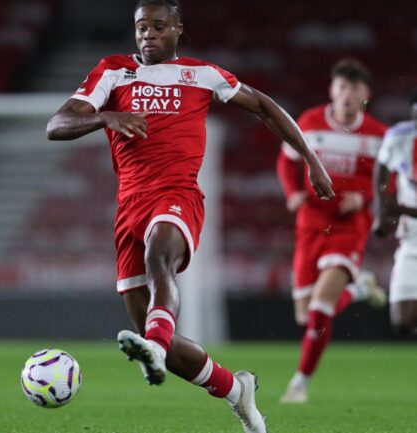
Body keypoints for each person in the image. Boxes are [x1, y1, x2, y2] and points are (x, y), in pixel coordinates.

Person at [47, 1, 334, 432]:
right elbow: (57, 124)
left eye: (158, 27)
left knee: (159, 259)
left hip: (178, 194)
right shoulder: (113, 71)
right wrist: (106, 116)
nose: (147, 34)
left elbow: (264, 107)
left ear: (178, 30)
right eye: (141, 27)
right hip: (129, 206)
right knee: (147, 322)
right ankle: (237, 391)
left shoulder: (202, 74)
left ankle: (155, 351)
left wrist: (310, 158)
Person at [276, 59, 388, 404]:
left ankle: (300, 384)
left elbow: (388, 181)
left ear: (365, 95)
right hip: (311, 223)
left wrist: (365, 196)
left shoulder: (378, 135)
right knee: (303, 313)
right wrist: (292, 192)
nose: (347, 95)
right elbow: (286, 161)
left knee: (320, 309)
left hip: (348, 228)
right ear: (331, 90)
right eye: (342, 87)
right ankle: (358, 289)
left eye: (355, 89)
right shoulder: (308, 123)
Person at [372, 88, 417, 336]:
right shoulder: (400, 137)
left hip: (408, 220)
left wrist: (398, 209)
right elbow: (381, 164)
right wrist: (382, 206)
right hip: (411, 244)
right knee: (402, 323)